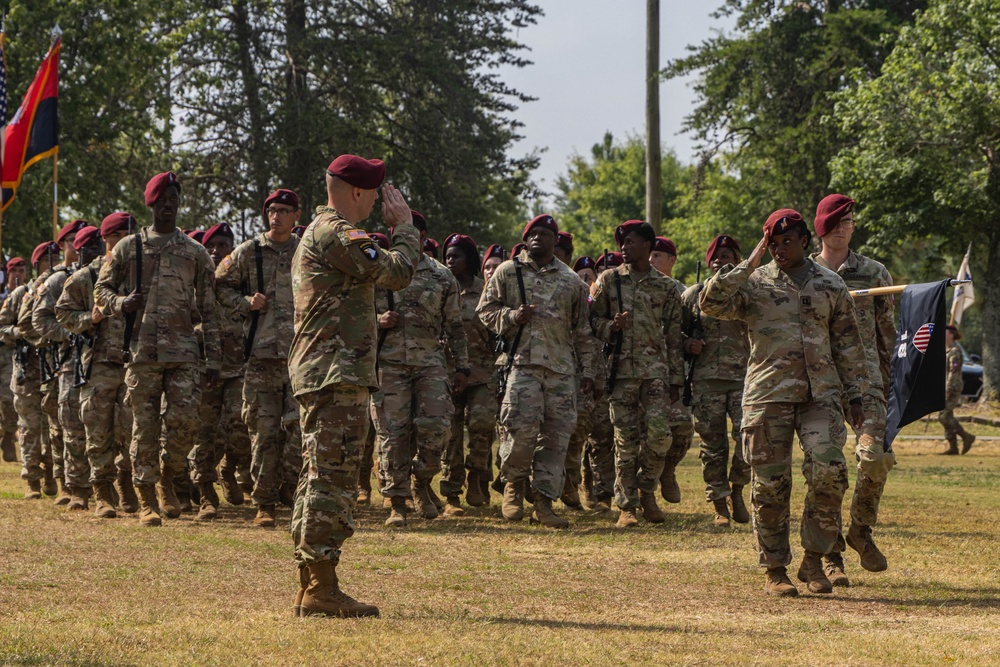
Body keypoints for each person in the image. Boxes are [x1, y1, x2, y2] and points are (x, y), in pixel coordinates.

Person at [700, 209, 867, 597]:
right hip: (768, 395)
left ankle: (814, 559)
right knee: (770, 485)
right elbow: (710, 303)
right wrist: (750, 260)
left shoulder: (830, 284)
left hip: (820, 395)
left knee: (828, 472)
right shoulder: (753, 284)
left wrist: (854, 395)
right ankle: (775, 567)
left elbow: (847, 344)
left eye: (786, 242)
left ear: (805, 241)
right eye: (772, 243)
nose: (779, 250)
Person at [288, 154, 420, 618]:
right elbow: (399, 272)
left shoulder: (325, 231)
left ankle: (313, 584)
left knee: (318, 476)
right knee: (334, 478)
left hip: (326, 371)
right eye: (376, 194)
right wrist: (404, 226)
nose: (379, 203)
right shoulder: (339, 233)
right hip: (335, 372)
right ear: (359, 193)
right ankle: (321, 587)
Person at [95, 171, 220, 527]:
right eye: (162, 200)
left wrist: (214, 358)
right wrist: (121, 303)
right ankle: (147, 497)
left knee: (184, 423)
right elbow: (101, 290)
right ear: (151, 204)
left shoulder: (194, 252)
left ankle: (169, 475)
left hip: (183, 352)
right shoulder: (129, 248)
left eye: (174, 200)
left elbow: (210, 310)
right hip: (141, 352)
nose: (169, 206)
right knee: (144, 427)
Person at [478, 214, 597, 529]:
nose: (538, 238)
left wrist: (588, 371)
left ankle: (544, 503)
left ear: (555, 241)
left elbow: (583, 332)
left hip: (561, 372)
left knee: (556, 439)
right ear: (525, 237)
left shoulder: (571, 281)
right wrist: (513, 316)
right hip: (522, 366)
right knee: (520, 432)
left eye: (545, 234)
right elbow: (485, 312)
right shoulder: (507, 272)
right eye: (533, 232)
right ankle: (514, 487)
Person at [812, 193, 898, 579]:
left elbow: (887, 335)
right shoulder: (804, 274)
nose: (845, 229)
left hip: (867, 383)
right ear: (822, 227)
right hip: (823, 384)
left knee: (875, 457)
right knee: (827, 471)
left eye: (850, 222)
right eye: (838, 222)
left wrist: (891, 382)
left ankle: (860, 531)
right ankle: (830, 555)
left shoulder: (875, 273)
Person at [372, 211, 468, 525]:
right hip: (389, 364)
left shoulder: (442, 276)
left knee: (438, 427)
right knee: (393, 434)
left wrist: (462, 367)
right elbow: (353, 319)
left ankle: (422, 480)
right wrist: (378, 322)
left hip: (430, 363)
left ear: (423, 236)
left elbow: (455, 326)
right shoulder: (377, 270)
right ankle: (397, 502)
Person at [217, 189, 302, 526]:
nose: (276, 216)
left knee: (298, 432)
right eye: (271, 210)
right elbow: (220, 284)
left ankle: (289, 486)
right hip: (261, 357)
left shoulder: (305, 251)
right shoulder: (249, 252)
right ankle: (264, 502)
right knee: (264, 433)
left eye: (283, 210)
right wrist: (244, 304)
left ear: (297, 215)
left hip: (299, 358)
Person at [591, 221, 683, 527]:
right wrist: (610, 327)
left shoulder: (667, 287)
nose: (623, 248)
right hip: (621, 373)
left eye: (630, 242)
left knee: (659, 436)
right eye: (621, 243)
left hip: (655, 372)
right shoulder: (609, 280)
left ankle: (647, 491)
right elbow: (592, 322)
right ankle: (627, 506)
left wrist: (676, 379)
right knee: (626, 440)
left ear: (647, 246)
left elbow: (673, 335)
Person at [55, 213, 139, 518]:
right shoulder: (85, 278)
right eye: (121, 235)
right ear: (107, 239)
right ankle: (102, 491)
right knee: (98, 429)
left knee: (132, 428)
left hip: (133, 361)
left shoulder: (137, 274)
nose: (129, 240)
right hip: (100, 364)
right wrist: (88, 319)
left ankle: (125, 480)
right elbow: (62, 312)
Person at [681, 235, 751, 528]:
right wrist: (688, 345)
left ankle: (737, 490)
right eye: (718, 256)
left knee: (748, 440)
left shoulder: (749, 294)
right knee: (713, 446)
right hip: (706, 381)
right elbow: (673, 335)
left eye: (729, 255)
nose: (723, 261)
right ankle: (719, 503)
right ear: (710, 263)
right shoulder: (692, 295)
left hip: (743, 379)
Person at [186, 222, 252, 521]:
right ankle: (205, 493)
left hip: (237, 368)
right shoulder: (192, 287)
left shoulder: (241, 286)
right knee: (205, 432)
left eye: (223, 246)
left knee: (238, 427)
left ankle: (227, 470)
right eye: (211, 247)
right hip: (203, 369)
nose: (216, 251)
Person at [34, 223, 98, 510]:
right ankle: (74, 486)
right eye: (73, 241)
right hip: (69, 361)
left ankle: (110, 484)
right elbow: (37, 321)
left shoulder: (110, 274)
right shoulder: (57, 280)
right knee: (69, 424)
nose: (77, 247)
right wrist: (71, 332)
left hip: (105, 359)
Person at [440, 233, 495, 510]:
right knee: (450, 434)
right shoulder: (440, 287)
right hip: (447, 371)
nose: (451, 261)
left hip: (482, 371)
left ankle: (477, 478)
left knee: (481, 426)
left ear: (469, 259)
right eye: (447, 256)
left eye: (456, 256)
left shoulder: (486, 289)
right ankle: (451, 493)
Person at [0, 242, 59, 499]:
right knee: (29, 426)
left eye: (56, 258)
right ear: (37, 265)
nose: (54, 264)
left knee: (54, 426)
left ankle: (51, 473)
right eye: (48, 260)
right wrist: (20, 333)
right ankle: (32, 478)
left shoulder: (60, 288)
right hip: (26, 367)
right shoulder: (21, 294)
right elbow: (2, 327)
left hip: (53, 366)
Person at [650, 235, 694, 506]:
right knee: (647, 433)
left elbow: (688, 331)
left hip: (675, 372)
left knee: (682, 430)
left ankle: (667, 471)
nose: (652, 260)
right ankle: (641, 492)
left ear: (672, 261)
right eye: (650, 254)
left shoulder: (683, 293)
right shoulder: (637, 286)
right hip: (643, 370)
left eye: (658, 256)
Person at [0, 257, 27, 463]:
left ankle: (8, 436)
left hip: (9, 353)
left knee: (9, 400)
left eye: (21, 270)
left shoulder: (27, 294)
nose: (17, 273)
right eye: (14, 270)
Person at [940, 324, 975, 455]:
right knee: (947, 415)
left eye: (945, 333)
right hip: (945, 386)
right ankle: (953, 447)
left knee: (943, 416)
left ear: (951, 335)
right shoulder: (946, 350)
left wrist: (947, 390)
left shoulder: (954, 351)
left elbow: (953, 373)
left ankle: (966, 436)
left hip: (952, 387)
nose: (942, 335)